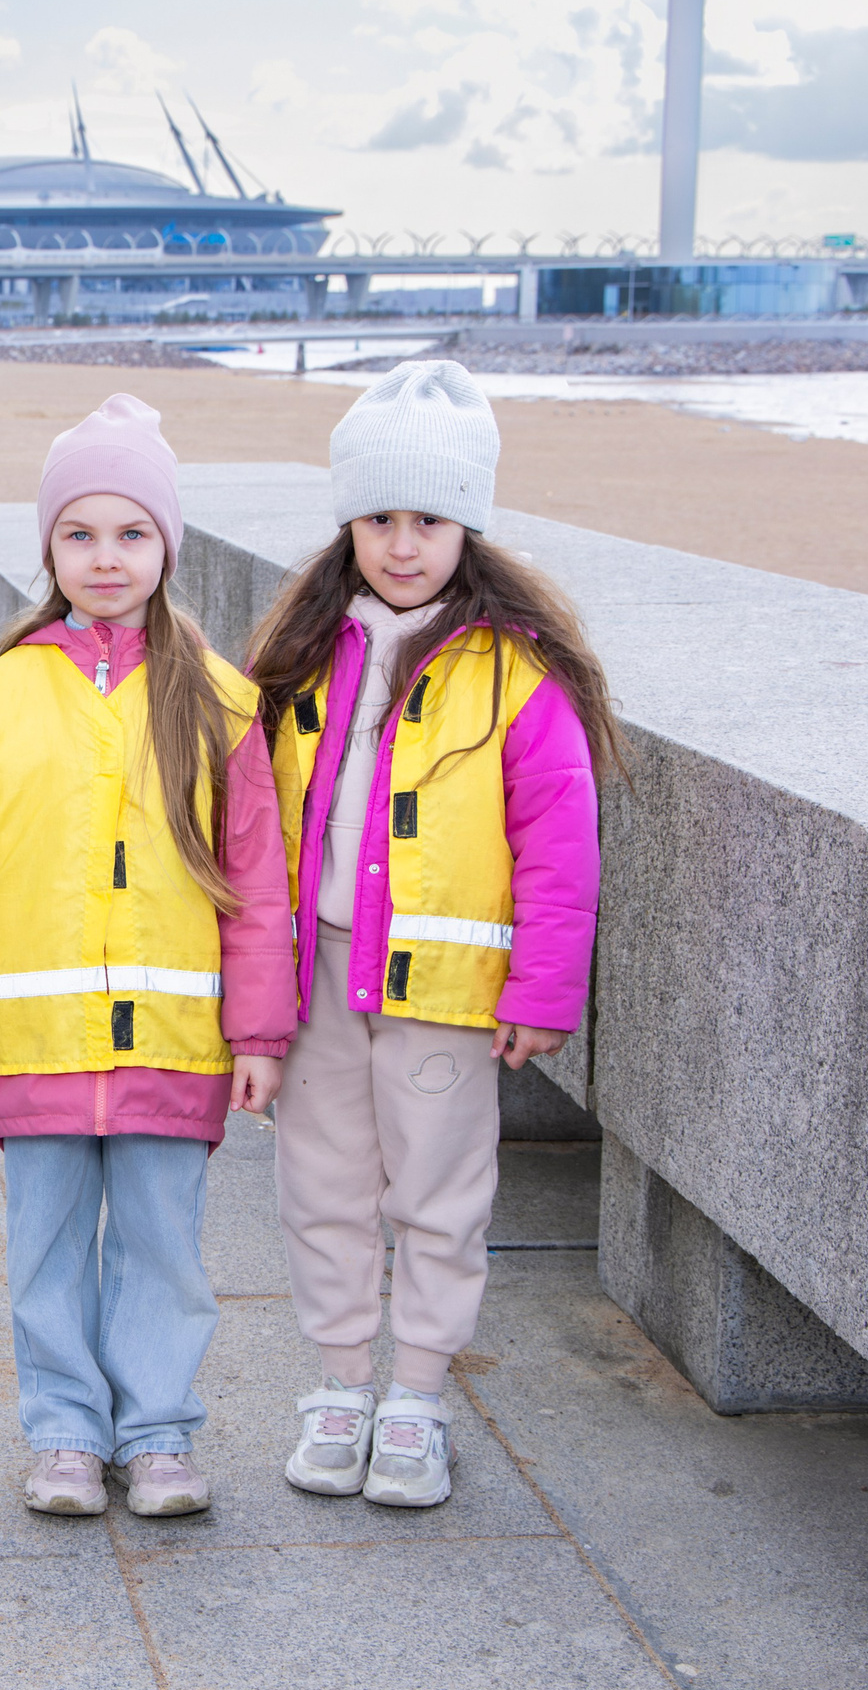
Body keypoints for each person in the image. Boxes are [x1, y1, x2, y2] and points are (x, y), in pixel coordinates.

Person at [245, 362, 617, 1508]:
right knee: (322, 1189)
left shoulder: (514, 674)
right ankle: (339, 1385)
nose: (403, 544)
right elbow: (252, 832)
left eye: (430, 519)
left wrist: (542, 993)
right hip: (315, 987)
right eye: (378, 517)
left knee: (440, 1197)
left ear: (470, 525)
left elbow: (561, 846)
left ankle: (415, 1397)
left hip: (445, 996)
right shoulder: (298, 665)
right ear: (346, 522)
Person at [0, 397, 294, 1518]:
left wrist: (257, 1033)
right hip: (38, 1040)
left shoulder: (220, 700)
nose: (106, 558)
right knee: (39, 1252)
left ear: (166, 547)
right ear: (47, 549)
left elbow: (257, 884)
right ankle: (67, 1434)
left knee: (162, 1249)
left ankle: (161, 1432)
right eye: (79, 534)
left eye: (131, 533)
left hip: (173, 1043)